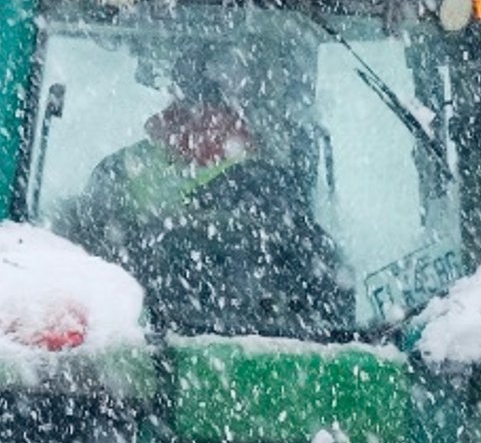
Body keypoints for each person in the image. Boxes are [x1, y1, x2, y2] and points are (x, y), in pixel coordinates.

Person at [60, 53, 346, 340]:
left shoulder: (119, 170)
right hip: (155, 347)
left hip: (163, 345)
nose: (208, 119)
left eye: (216, 108)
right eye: (203, 106)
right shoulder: (273, 188)